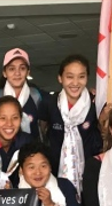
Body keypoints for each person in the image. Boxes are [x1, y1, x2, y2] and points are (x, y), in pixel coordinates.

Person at [39, 54, 102, 194]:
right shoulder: (49, 103)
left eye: (81, 76)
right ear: (60, 78)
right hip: (55, 171)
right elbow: (42, 133)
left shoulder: (95, 103)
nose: (75, 82)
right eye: (69, 76)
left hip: (89, 172)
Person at [0, 48, 50, 139]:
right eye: (12, 69)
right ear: (4, 73)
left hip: (32, 151)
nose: (17, 73)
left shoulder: (39, 96)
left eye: (22, 68)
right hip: (2, 151)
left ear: (28, 72)